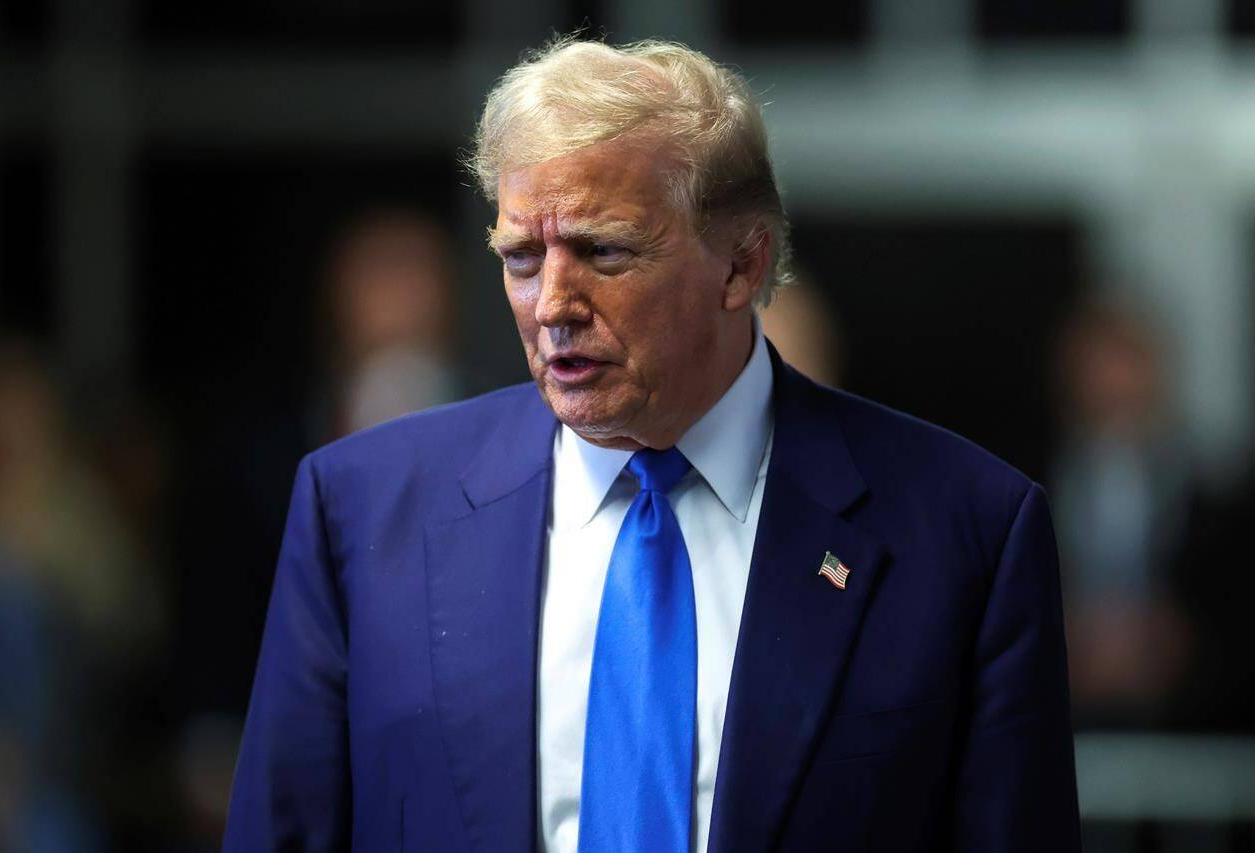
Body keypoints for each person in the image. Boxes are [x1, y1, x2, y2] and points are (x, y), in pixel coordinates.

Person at [224, 37, 1080, 852]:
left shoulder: (967, 529)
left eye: (603, 251)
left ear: (743, 265)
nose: (553, 302)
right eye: (522, 256)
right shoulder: (363, 508)